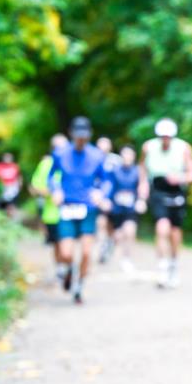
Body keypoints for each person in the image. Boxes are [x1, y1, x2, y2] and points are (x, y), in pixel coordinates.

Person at [49, 117, 113, 304]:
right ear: (72, 134)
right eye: (78, 137)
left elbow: (107, 180)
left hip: (88, 207)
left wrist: (101, 194)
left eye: (84, 137)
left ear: (89, 136)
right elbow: (52, 176)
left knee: (86, 252)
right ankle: (69, 270)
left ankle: (79, 286)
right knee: (66, 253)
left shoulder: (97, 156)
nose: (81, 141)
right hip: (67, 207)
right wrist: (56, 190)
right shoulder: (60, 154)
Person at [137, 117, 192, 289]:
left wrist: (181, 178)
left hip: (176, 191)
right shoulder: (148, 147)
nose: (165, 140)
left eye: (168, 137)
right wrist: (143, 184)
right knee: (161, 227)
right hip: (158, 190)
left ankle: (173, 263)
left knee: (175, 232)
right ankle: (162, 266)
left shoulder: (184, 148)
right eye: (162, 137)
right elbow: (142, 167)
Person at [30, 134, 69, 280]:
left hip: (71, 212)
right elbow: (35, 187)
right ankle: (60, 267)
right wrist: (52, 193)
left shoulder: (74, 162)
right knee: (58, 243)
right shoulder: (46, 164)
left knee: (68, 243)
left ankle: (68, 266)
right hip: (52, 213)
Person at [107, 145, 145, 273]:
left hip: (131, 207)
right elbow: (109, 187)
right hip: (116, 207)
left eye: (129, 155)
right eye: (124, 155)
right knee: (118, 235)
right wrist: (106, 200)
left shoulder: (138, 171)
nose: (127, 158)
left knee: (130, 232)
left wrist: (141, 200)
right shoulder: (114, 171)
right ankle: (114, 254)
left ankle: (127, 258)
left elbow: (142, 186)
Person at [96, 136, 123, 264]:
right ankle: (102, 248)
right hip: (98, 198)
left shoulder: (116, 161)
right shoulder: (93, 159)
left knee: (111, 226)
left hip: (114, 198)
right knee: (100, 222)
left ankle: (109, 243)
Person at [0, 152, 21, 217]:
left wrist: (18, 186)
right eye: (6, 157)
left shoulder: (15, 166)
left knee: (11, 205)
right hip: (1, 188)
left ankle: (10, 218)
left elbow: (18, 176)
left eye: (9, 157)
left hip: (12, 188)